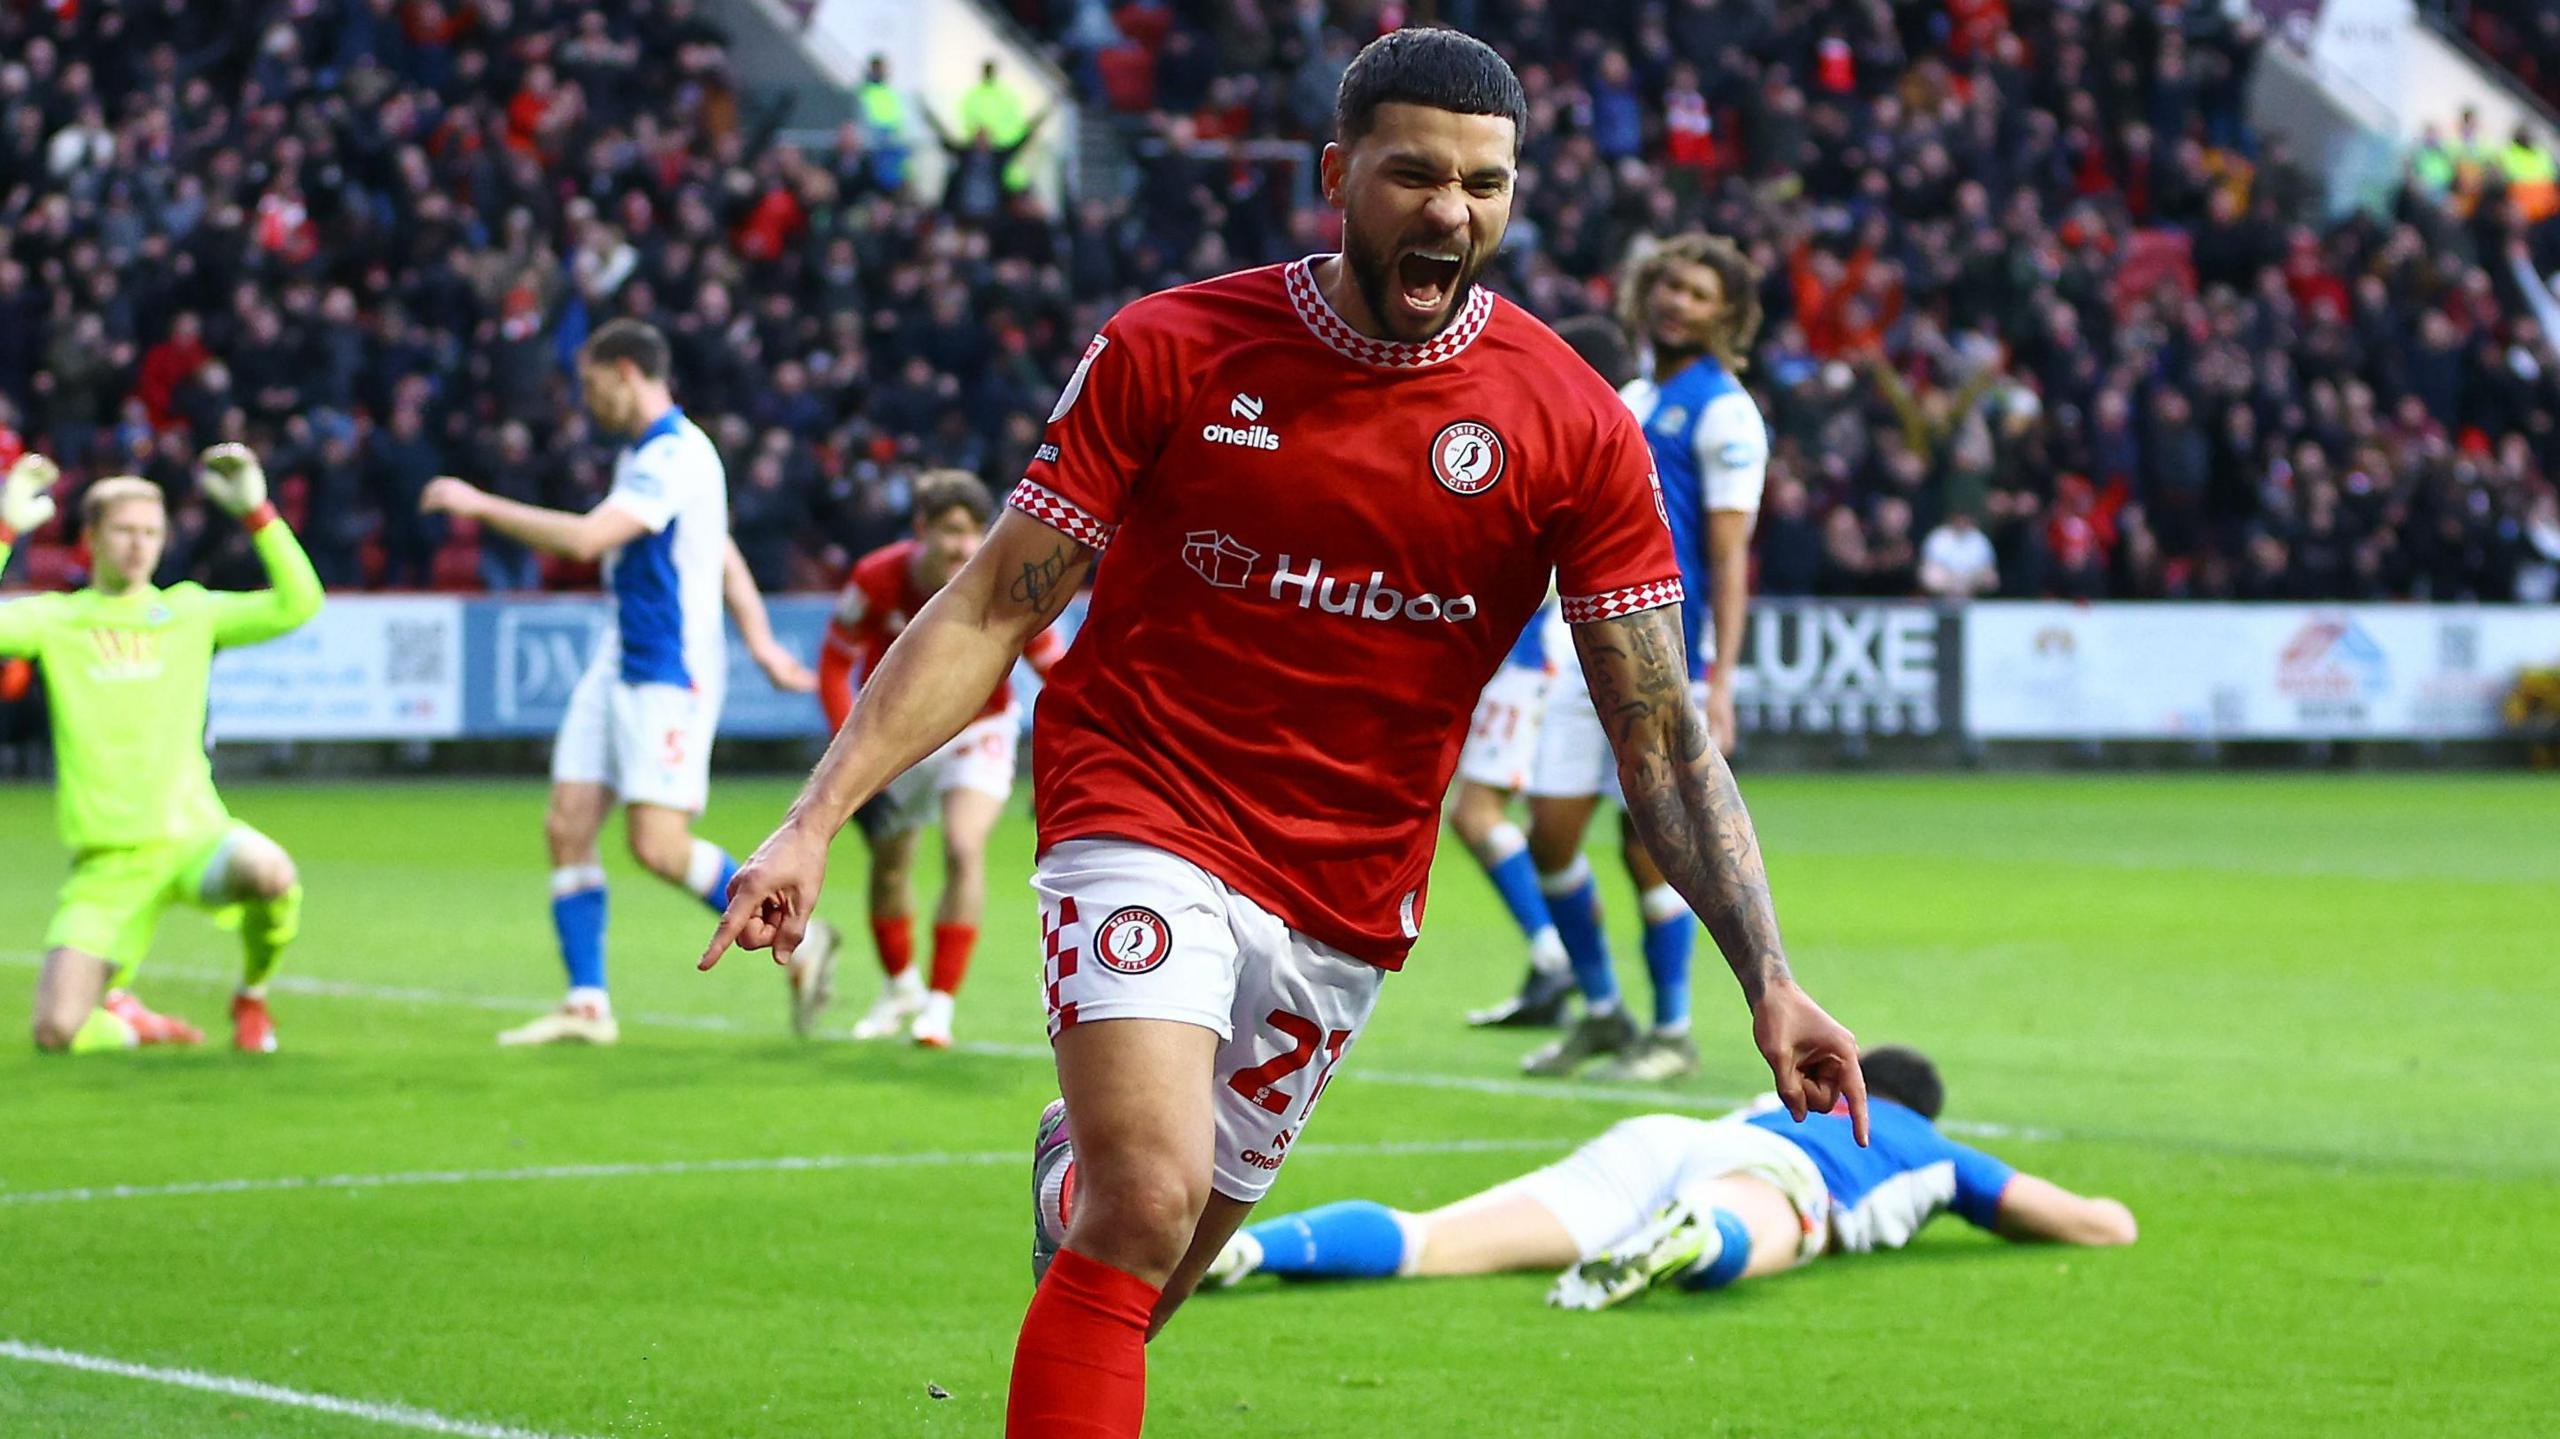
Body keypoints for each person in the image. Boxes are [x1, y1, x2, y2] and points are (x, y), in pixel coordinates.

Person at [703, 30, 1866, 1439]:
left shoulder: (1571, 424)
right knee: (1146, 1201)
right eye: (1415, 174)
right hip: (1142, 804)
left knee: (1148, 1261)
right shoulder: (1172, 348)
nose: (1451, 210)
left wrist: (1773, 976)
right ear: (1335, 174)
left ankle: (1079, 1182)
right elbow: (992, 605)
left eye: (1485, 183)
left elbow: (1661, 733)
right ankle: (1104, 1178)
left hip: (1348, 885)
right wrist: (813, 817)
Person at [421, 319, 821, 1047]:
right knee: (566, 823)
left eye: (592, 384)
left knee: (657, 845)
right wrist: (761, 641)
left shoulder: (672, 452)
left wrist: (475, 505)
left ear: (628, 370)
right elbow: (720, 546)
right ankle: (587, 1002)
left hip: (668, 668)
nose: (586, 400)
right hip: (622, 658)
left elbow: (584, 539)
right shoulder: (653, 454)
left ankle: (801, 930)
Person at [1204, 1045, 2136, 1308]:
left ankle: (1251, 1246)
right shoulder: (1924, 1146)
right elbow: (2084, 1221)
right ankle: (1703, 1239)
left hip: (1660, 1140)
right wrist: (2111, 1212)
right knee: (1780, 1222)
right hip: (1763, 1173)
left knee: (1429, 1237)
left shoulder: (1787, 1097)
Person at [1516, 232, 1772, 1082]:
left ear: (1727, 314)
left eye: (1698, 293)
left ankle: (1671, 1030)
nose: (1676, 303)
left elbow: (1731, 556)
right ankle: (1602, 1010)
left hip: (1668, 656)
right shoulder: (1627, 393)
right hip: (1583, 645)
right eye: (1668, 286)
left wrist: (1720, 679)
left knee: (1649, 847)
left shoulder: (1726, 411)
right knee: (1549, 838)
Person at [0, 446, 321, 1054]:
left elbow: (298, 604)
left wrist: (259, 513)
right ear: (90, 538)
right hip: (110, 862)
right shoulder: (56, 620)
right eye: (123, 530)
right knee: (56, 1032)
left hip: (194, 837)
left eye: (151, 532)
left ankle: (252, 995)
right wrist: (6, 526)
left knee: (272, 872)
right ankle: (129, 1024)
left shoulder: (189, 610)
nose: (138, 544)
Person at [816, 470, 1063, 1048]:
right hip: (902, 734)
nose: (963, 545)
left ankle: (939, 1006)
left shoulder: (1006, 580)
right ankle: (900, 986)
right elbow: (833, 665)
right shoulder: (877, 578)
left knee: (962, 846)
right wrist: (848, 756)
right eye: (951, 531)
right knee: (891, 863)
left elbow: (1058, 675)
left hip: (980, 728)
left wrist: (1054, 767)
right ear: (921, 530)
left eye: (975, 531)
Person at [1454, 313, 1634, 1031]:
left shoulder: (1565, 431)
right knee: (1488, 817)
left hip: (1528, 656)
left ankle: (1553, 951)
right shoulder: (1594, 434)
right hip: (1529, 656)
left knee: (1478, 813)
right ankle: (1550, 960)